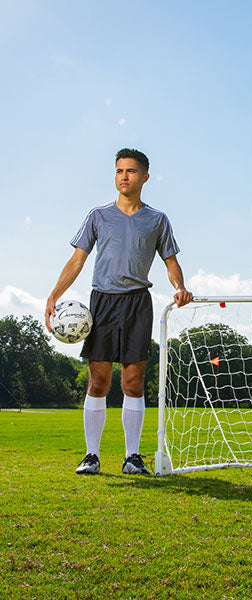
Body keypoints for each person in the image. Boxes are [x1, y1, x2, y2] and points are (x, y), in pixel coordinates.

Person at [45, 148, 194, 475]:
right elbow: (76, 260)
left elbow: (171, 263)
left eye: (130, 171)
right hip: (103, 302)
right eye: (119, 171)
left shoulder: (157, 220)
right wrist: (54, 295)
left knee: (133, 382)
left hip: (138, 302)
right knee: (98, 381)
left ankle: (132, 457)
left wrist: (179, 287)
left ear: (144, 177)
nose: (123, 176)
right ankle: (91, 456)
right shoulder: (98, 216)